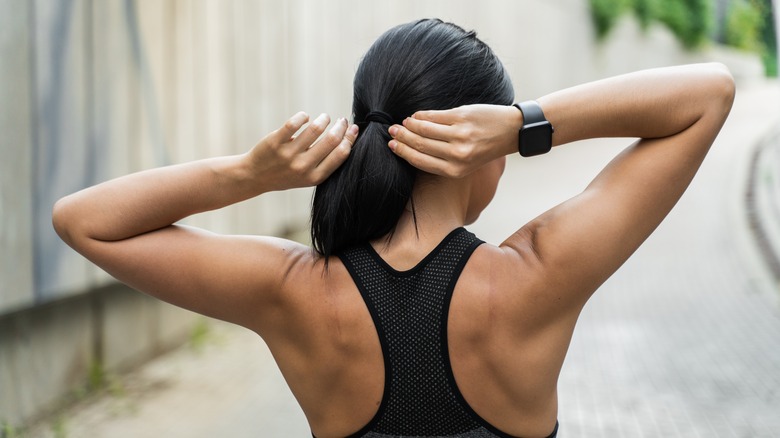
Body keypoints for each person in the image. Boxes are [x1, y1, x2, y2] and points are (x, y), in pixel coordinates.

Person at [53, 18, 734, 438]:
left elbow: (85, 223)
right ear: (479, 150)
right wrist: (524, 124)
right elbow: (708, 95)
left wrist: (250, 174)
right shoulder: (536, 278)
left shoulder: (293, 290)